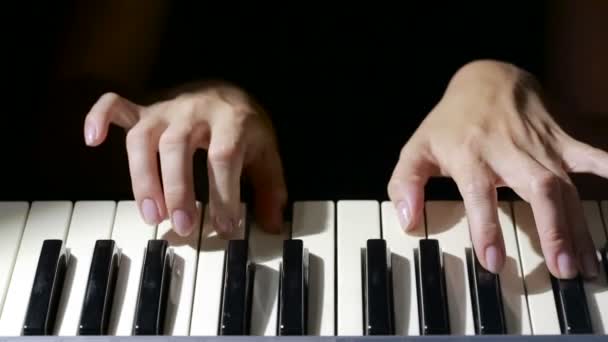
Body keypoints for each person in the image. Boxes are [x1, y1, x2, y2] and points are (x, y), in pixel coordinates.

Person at [44, 1, 608, 280]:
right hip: (230, 223)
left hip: (482, 224)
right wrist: (186, 99)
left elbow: (594, 151)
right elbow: (66, 128)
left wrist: (503, 83)